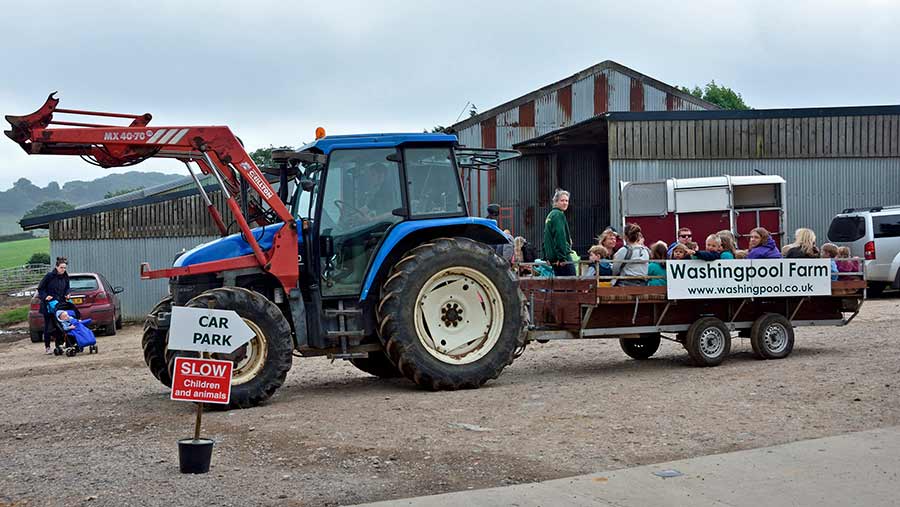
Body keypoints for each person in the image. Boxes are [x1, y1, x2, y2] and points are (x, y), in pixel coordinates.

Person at [37, 257, 70, 354]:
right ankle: (47, 347)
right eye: (61, 268)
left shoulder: (65, 276)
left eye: (64, 268)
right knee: (48, 327)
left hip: (60, 305)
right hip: (48, 305)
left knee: (60, 325)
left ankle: (58, 345)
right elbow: (40, 289)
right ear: (56, 267)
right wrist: (45, 296)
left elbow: (67, 288)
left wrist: (68, 294)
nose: (63, 270)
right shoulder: (49, 276)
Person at [543, 189, 575, 276]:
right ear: (556, 202)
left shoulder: (551, 215)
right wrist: (562, 258)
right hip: (561, 258)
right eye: (562, 200)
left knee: (560, 286)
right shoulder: (558, 215)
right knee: (573, 283)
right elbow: (560, 236)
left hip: (553, 258)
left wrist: (547, 256)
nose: (565, 203)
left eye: (567, 201)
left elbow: (546, 237)